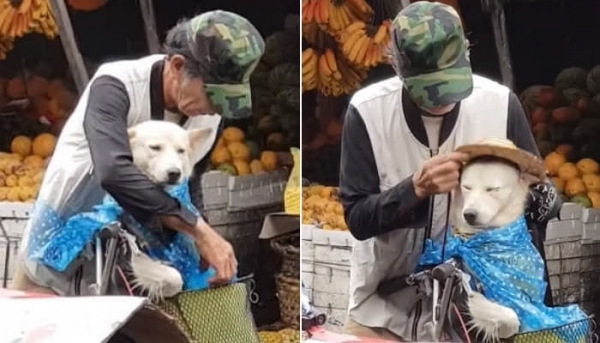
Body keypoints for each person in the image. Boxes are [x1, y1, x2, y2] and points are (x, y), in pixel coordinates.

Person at [339, 2, 558, 341]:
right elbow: (357, 219)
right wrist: (413, 189)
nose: (442, 100)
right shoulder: (368, 114)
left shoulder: (499, 105)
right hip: (384, 308)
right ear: (397, 68)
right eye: (429, 87)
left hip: (479, 309)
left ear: (467, 55)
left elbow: (536, 205)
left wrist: (540, 199)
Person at [12, 10, 265, 296]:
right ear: (178, 65)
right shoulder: (116, 85)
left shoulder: (209, 116)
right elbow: (114, 172)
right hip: (64, 248)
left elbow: (190, 183)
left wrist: (201, 236)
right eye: (214, 95)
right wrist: (198, 230)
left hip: (140, 254)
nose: (216, 108)